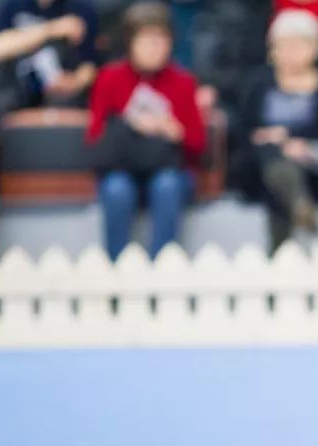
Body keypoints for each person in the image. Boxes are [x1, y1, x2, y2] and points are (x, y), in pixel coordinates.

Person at [86, 2, 205, 260]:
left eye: (160, 39)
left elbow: (197, 144)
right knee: (117, 189)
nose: (154, 47)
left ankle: (161, 266)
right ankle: (116, 267)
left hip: (167, 169)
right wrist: (131, 125)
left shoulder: (183, 82)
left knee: (167, 185)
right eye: (147, 39)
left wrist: (173, 130)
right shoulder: (109, 78)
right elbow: (95, 137)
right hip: (123, 167)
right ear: (130, 42)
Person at [235, 10, 318, 252]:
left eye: (297, 46)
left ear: (315, 48)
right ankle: (298, 205)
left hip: (312, 166)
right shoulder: (258, 84)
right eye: (283, 46)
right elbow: (243, 130)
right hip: (262, 165)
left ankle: (278, 253)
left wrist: (297, 143)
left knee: (282, 170)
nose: (289, 53)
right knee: (272, 156)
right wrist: (275, 140)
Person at [0, 0, 99, 111]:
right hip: (17, 93)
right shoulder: (14, 5)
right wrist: (52, 29)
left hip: (63, 98)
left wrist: (75, 83)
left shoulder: (80, 8)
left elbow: (90, 63)